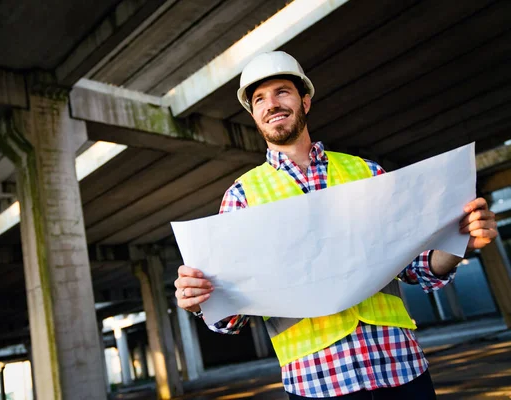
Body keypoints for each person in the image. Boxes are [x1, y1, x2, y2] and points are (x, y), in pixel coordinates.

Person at [174, 51, 498, 399]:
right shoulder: (241, 199)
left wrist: (459, 242)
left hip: (400, 367)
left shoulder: (366, 173)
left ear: (305, 101)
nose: (272, 104)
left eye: (282, 91)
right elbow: (231, 317)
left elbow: (415, 265)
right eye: (259, 99)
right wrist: (200, 300)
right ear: (253, 115)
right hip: (317, 381)